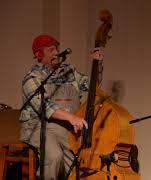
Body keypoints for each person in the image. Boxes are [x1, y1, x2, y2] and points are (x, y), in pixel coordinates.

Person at [19, 34, 104, 179]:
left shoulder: (69, 70)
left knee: (75, 161)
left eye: (56, 49)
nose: (56, 53)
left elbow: (92, 86)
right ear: (39, 55)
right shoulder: (32, 77)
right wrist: (71, 118)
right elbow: (45, 106)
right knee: (54, 157)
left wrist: (98, 64)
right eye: (50, 50)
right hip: (40, 125)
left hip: (66, 125)